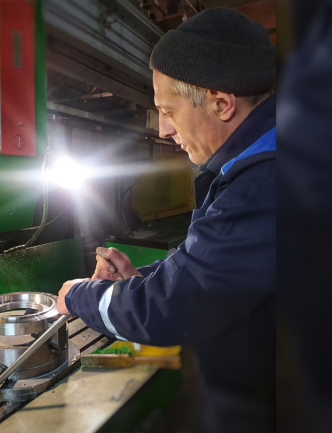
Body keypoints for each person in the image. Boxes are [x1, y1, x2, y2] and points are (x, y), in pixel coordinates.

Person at [56, 8, 276, 433]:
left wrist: (80, 295)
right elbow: (210, 267)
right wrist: (143, 280)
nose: (163, 130)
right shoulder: (251, 163)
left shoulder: (263, 181)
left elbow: (178, 306)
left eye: (168, 111)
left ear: (221, 103)